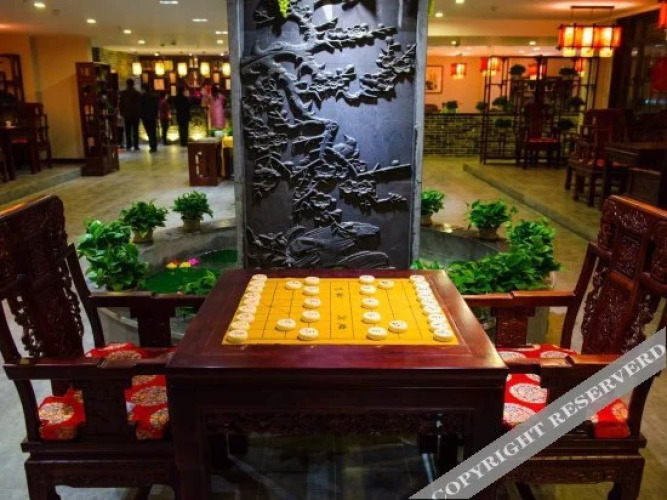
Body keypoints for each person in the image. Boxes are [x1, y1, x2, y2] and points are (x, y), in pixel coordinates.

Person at [119, 79, 141, 151]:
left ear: (127, 84)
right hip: (135, 114)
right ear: (133, 84)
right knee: (135, 130)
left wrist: (121, 113)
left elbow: (120, 104)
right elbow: (140, 104)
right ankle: (136, 145)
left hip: (127, 114)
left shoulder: (123, 93)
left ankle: (129, 145)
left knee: (127, 130)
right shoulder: (137, 93)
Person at [140, 84, 159, 153]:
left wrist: (141, 116)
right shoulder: (154, 96)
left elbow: (141, 107)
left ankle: (152, 145)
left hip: (145, 117)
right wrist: (156, 115)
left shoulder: (142, 97)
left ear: (143, 89)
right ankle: (154, 145)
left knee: (149, 131)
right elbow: (156, 107)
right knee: (153, 131)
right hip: (152, 116)